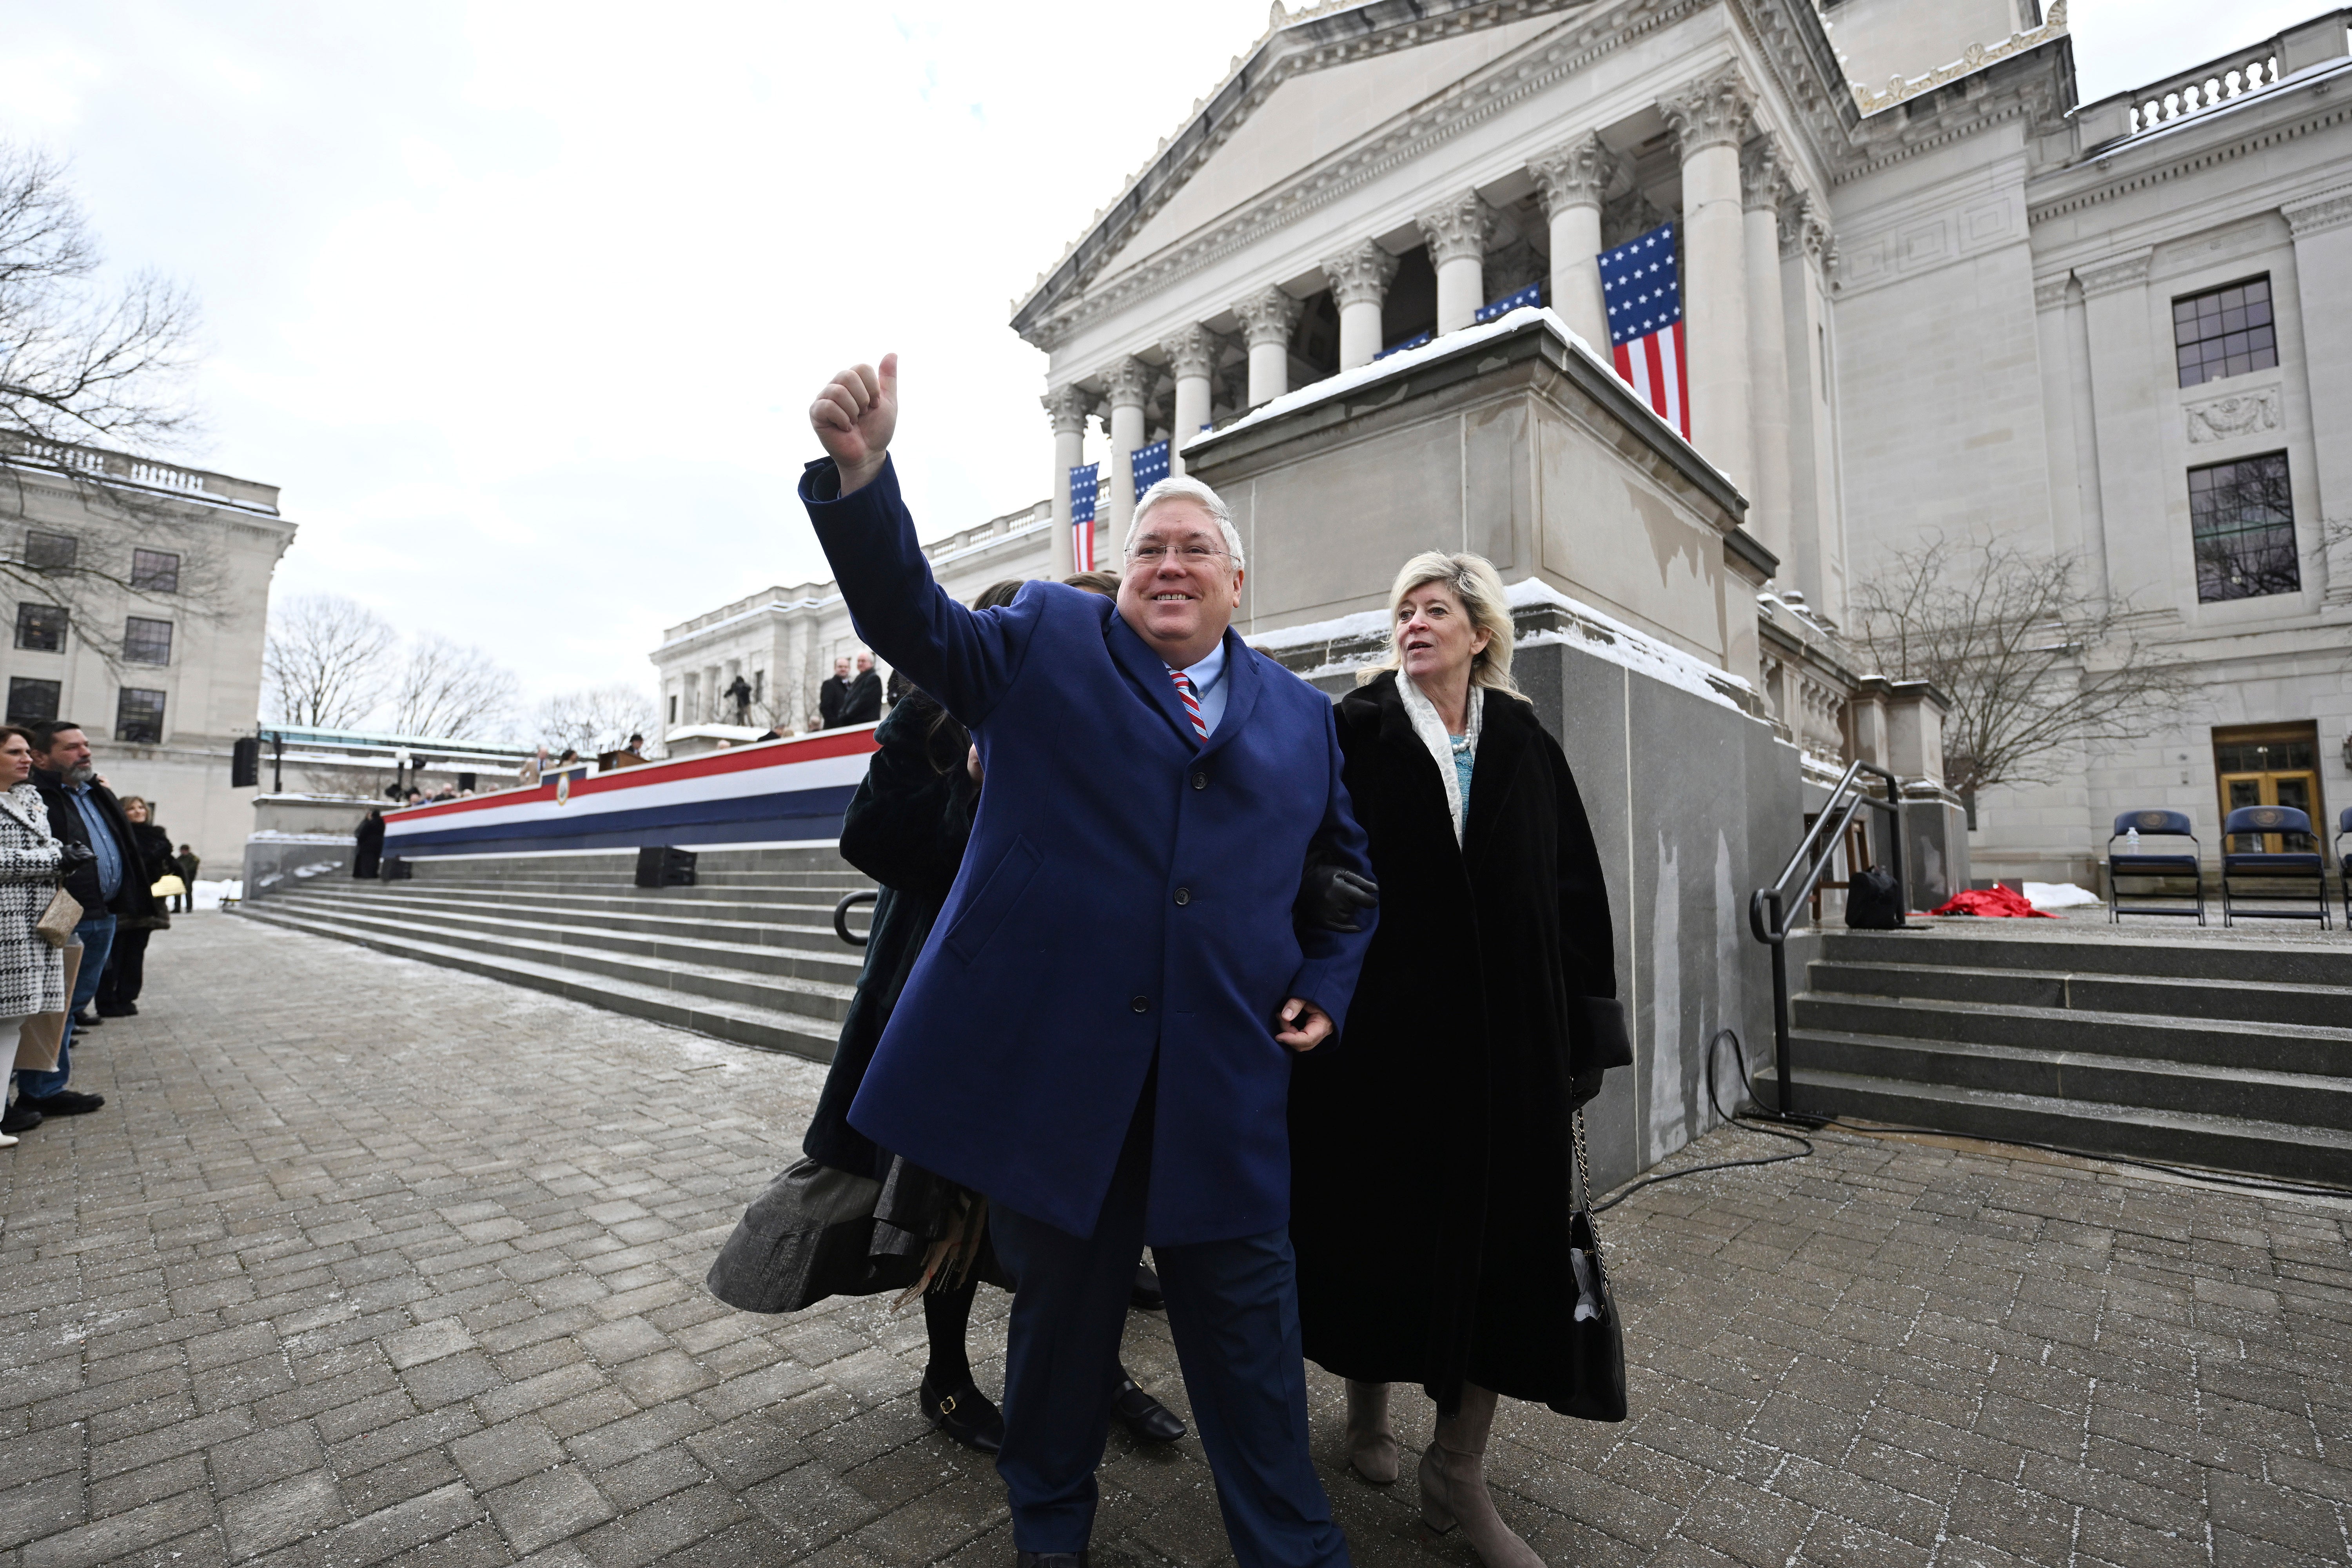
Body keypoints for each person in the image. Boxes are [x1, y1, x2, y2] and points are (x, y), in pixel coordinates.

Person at [805, 354, 1376, 1568]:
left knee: (1252, 1353)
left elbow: (1347, 880)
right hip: (1067, 1093)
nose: (1167, 564)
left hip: (1226, 1095)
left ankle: (1292, 1548)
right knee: (1060, 1346)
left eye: (1192, 549)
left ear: (1236, 581)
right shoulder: (1049, 640)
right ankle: (1048, 1536)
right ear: (1120, 573)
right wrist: (864, 480)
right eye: (1147, 547)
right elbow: (913, 621)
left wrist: (1326, 988)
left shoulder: (1304, 718)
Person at [1288, 552, 1632, 1568]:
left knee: (1502, 1255)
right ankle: (1365, 1410)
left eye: (1435, 609)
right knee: (1374, 1235)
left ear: (1480, 634)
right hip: (1381, 1045)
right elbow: (1307, 867)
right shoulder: (1354, 730)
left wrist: (1585, 1031)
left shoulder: (1524, 741)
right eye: (1403, 610)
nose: (1414, 623)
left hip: (1509, 1051)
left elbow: (1574, 890)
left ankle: (1458, 1472)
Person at [804, 575, 1185, 1459]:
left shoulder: (1104, 714)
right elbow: (872, 837)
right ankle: (946, 1374)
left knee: (1070, 1199)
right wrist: (977, 790)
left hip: (1066, 998)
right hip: (956, 993)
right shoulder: (936, 712)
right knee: (954, 1204)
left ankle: (1095, 1370)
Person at [15, 720, 156, 1116]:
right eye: (72, 748)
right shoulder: (34, 796)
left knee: (73, 1002)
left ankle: (44, 1086)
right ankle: (37, 1089)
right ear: (42, 757)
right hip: (61, 913)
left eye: (86, 744)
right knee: (48, 1004)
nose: (85, 753)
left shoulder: (96, 791)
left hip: (102, 912)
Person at [0, 725, 73, 1144]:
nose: (27, 759)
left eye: (28, 751)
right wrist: (54, 859)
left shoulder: (28, 798)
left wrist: (63, 854)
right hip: (6, 926)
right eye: (15, 752)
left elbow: (45, 845)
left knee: (12, 1023)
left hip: (32, 927)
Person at [94, 795, 174, 1018]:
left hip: (148, 905)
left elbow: (162, 868)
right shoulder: (118, 835)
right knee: (114, 955)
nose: (139, 812)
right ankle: (107, 1001)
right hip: (124, 903)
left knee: (136, 954)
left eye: (141, 807)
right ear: (122, 812)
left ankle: (127, 997)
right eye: (131, 809)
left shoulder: (156, 836)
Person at [838, 653, 882, 726]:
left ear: (871, 663)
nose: (860, 664)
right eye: (859, 661)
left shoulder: (873, 679)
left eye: (863, 661)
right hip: (854, 723)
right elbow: (849, 700)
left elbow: (863, 702)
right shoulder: (858, 680)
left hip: (865, 724)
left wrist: (846, 716)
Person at [818, 657, 853, 728]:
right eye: (840, 667)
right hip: (834, 729)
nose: (843, 669)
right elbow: (825, 708)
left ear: (849, 669)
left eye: (846, 667)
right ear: (835, 668)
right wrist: (836, 724)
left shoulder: (852, 686)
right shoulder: (829, 684)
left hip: (849, 728)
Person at [354, 810, 386, 879]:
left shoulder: (369, 823)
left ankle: (367, 875)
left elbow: (363, 834)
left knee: (367, 861)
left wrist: (361, 842)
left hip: (368, 846)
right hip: (378, 846)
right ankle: (373, 874)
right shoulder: (382, 824)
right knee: (375, 861)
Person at [173, 845, 200, 913]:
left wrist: (183, 870)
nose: (183, 852)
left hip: (189, 877)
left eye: (184, 850)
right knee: (177, 893)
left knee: (188, 893)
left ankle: (189, 908)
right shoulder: (180, 858)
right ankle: (177, 907)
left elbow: (192, 867)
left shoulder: (193, 858)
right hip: (180, 878)